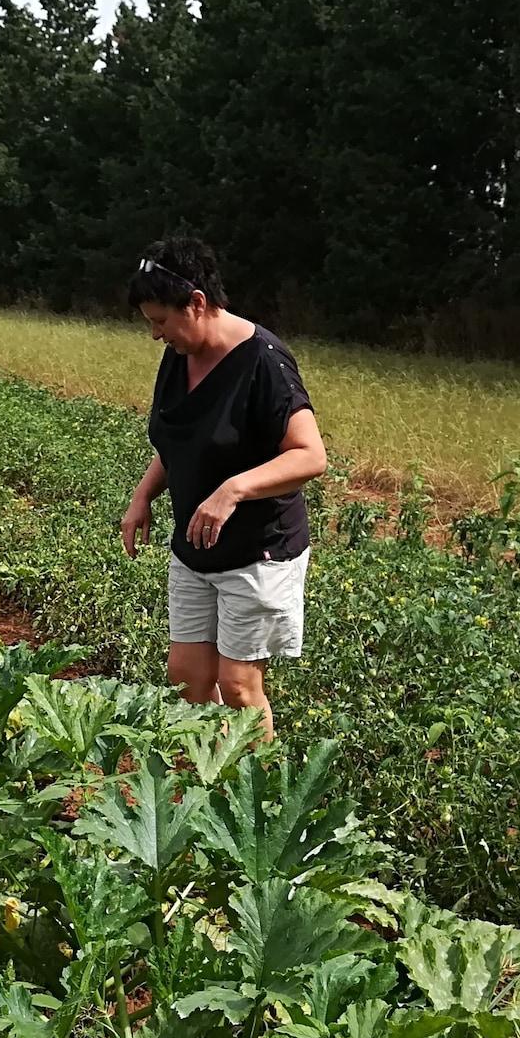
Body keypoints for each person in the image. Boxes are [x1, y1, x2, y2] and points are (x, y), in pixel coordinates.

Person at [120, 238, 327, 737]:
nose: (155, 334)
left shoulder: (264, 362)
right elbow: (181, 439)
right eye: (149, 322)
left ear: (196, 302)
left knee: (237, 687)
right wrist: (143, 495)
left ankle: (254, 800)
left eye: (160, 321)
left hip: (258, 552)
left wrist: (233, 489)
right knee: (187, 679)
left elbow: (309, 456)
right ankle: (206, 782)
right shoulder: (180, 354)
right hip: (196, 549)